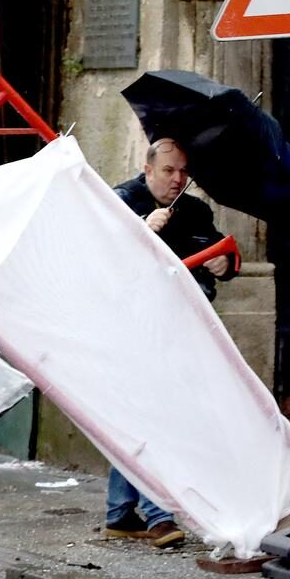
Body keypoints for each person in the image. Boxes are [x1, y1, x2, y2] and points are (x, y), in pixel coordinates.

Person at [103, 138, 238, 545]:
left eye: (182, 171)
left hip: (182, 322)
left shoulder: (195, 210)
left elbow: (218, 253)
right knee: (152, 416)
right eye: (168, 171)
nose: (177, 179)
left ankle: (120, 512)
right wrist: (141, 232)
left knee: (143, 417)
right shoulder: (119, 202)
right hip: (134, 325)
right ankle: (159, 513)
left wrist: (225, 263)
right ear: (147, 170)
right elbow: (100, 257)